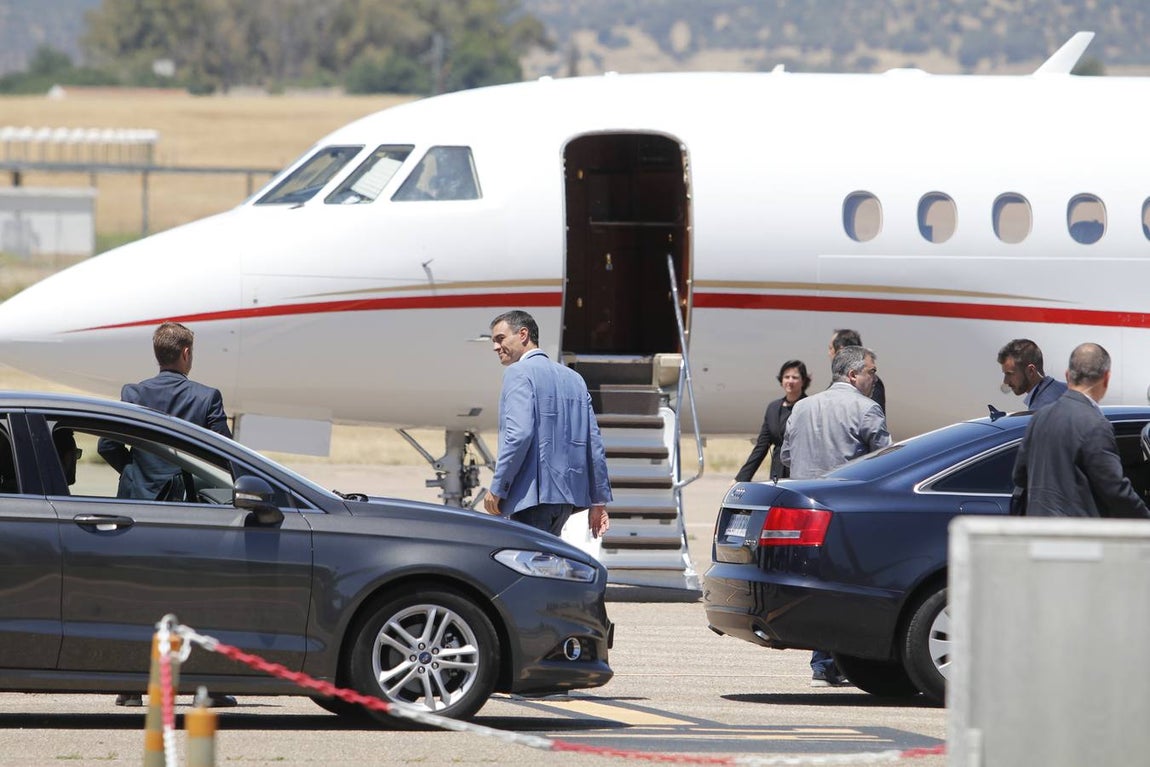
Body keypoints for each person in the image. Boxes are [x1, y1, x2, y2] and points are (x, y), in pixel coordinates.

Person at [97, 321, 237, 709]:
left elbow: (108, 445)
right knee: (193, 595)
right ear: (187, 354)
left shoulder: (134, 392)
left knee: (135, 592)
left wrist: (136, 474)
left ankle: (129, 685)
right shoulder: (206, 397)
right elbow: (223, 454)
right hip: (186, 509)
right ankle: (204, 686)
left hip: (136, 507)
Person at [782, 345, 892, 687]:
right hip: (847, 511)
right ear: (853, 374)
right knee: (849, 586)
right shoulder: (866, 408)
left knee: (815, 584)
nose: (875, 378)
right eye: (872, 371)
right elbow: (887, 460)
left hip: (802, 508)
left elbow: (786, 454)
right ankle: (832, 661)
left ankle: (821, 660)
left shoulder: (801, 407)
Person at [484, 310, 611, 539]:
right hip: (564, 502)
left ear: (523, 334)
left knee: (526, 569)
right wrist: (598, 500)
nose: (495, 347)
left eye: (500, 338)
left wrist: (498, 488)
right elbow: (594, 444)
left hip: (531, 500)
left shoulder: (518, 373)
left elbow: (519, 435)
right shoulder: (574, 379)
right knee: (546, 567)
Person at [1011, 343, 1149, 519]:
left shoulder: (1040, 417)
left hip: (1039, 535)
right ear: (1106, 378)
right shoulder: (1096, 424)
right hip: (1076, 539)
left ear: (1068, 376)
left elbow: (1020, 476)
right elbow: (1114, 490)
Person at [735, 360, 811, 482]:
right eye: (786, 377)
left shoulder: (809, 406)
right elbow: (762, 446)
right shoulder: (773, 408)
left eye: (795, 377)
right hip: (778, 472)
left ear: (803, 381)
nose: (790, 381)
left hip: (802, 473)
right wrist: (741, 478)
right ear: (781, 380)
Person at [997, 338, 1067, 411]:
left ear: (1031, 371)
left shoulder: (1040, 410)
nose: (1006, 381)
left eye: (1010, 374)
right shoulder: (1068, 389)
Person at [830, 329, 885, 415]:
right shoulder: (839, 379)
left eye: (831, 348)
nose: (829, 353)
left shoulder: (871, 382)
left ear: (841, 350)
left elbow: (872, 416)